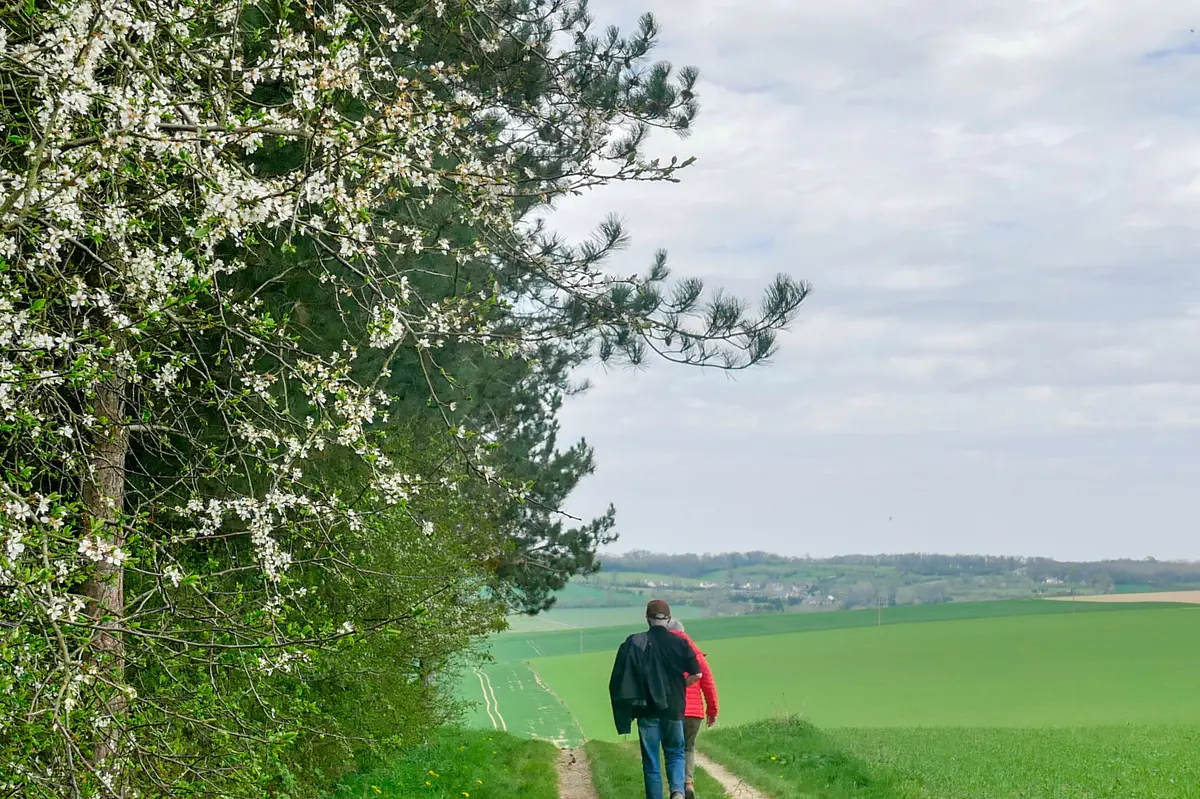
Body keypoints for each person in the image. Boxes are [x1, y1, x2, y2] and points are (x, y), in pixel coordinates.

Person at [609, 600, 702, 799]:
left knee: (651, 761)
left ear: (647, 619)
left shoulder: (635, 642)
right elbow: (697, 674)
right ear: (668, 619)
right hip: (674, 709)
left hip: (646, 710)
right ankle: (677, 792)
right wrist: (680, 686)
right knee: (675, 753)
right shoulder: (680, 643)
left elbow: (619, 679)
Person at [667, 619, 719, 799]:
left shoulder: (665, 652)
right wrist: (712, 712)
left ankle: (676, 790)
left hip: (672, 710)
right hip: (694, 712)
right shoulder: (696, 655)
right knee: (688, 747)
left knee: (673, 748)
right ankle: (688, 782)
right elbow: (708, 685)